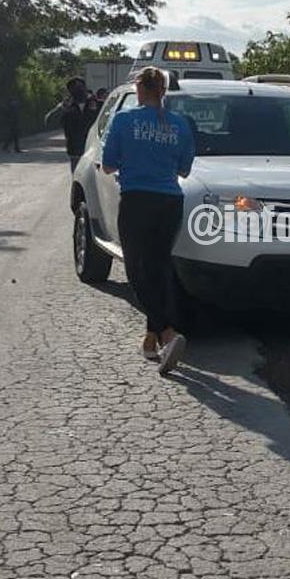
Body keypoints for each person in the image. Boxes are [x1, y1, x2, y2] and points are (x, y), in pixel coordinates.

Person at [101, 66, 195, 376]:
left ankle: (167, 333)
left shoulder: (124, 120)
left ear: (139, 90)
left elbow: (108, 165)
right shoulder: (180, 124)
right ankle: (151, 339)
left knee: (136, 271)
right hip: (170, 201)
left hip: (137, 200)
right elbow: (184, 169)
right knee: (157, 268)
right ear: (163, 91)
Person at [60, 78, 98, 171]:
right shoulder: (68, 106)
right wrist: (64, 109)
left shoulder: (96, 103)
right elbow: (53, 121)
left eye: (80, 87)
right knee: (77, 175)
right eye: (74, 88)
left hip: (94, 148)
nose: (79, 91)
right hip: (75, 148)